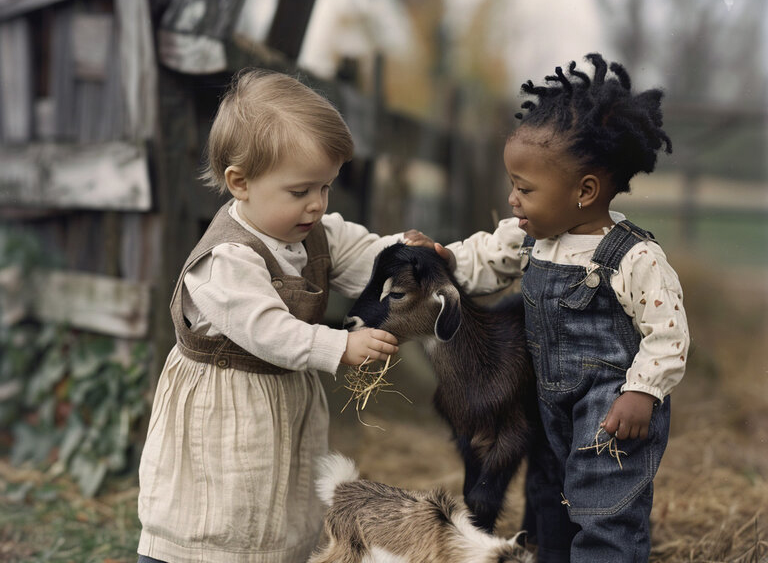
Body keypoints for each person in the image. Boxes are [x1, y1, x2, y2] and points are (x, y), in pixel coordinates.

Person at [418, 53, 689, 562]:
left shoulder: (634, 257)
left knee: (605, 508)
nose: (513, 200)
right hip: (550, 410)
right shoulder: (531, 238)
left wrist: (642, 392)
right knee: (550, 497)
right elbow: (484, 261)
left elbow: (668, 335)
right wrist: (445, 258)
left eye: (524, 189)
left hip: (612, 416)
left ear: (584, 191)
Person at [136, 69, 405, 563]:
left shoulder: (316, 233)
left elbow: (374, 255)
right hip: (224, 409)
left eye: (325, 187)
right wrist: (338, 346)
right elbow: (266, 329)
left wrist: (421, 258)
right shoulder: (225, 260)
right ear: (240, 183)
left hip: (282, 407)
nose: (317, 204)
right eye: (300, 191)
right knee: (216, 514)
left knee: (277, 515)